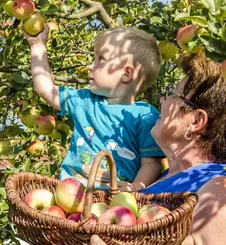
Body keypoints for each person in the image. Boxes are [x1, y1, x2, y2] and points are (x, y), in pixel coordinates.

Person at [44, 52, 226, 245]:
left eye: (171, 94)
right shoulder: (152, 186)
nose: (161, 103)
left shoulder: (221, 197)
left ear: (196, 121)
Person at [25, 25, 164, 191]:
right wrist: (37, 45)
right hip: (71, 193)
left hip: (115, 203)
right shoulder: (84, 101)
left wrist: (134, 189)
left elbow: (151, 163)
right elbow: (45, 88)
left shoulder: (145, 116)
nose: (90, 66)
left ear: (126, 73)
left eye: (100, 59)